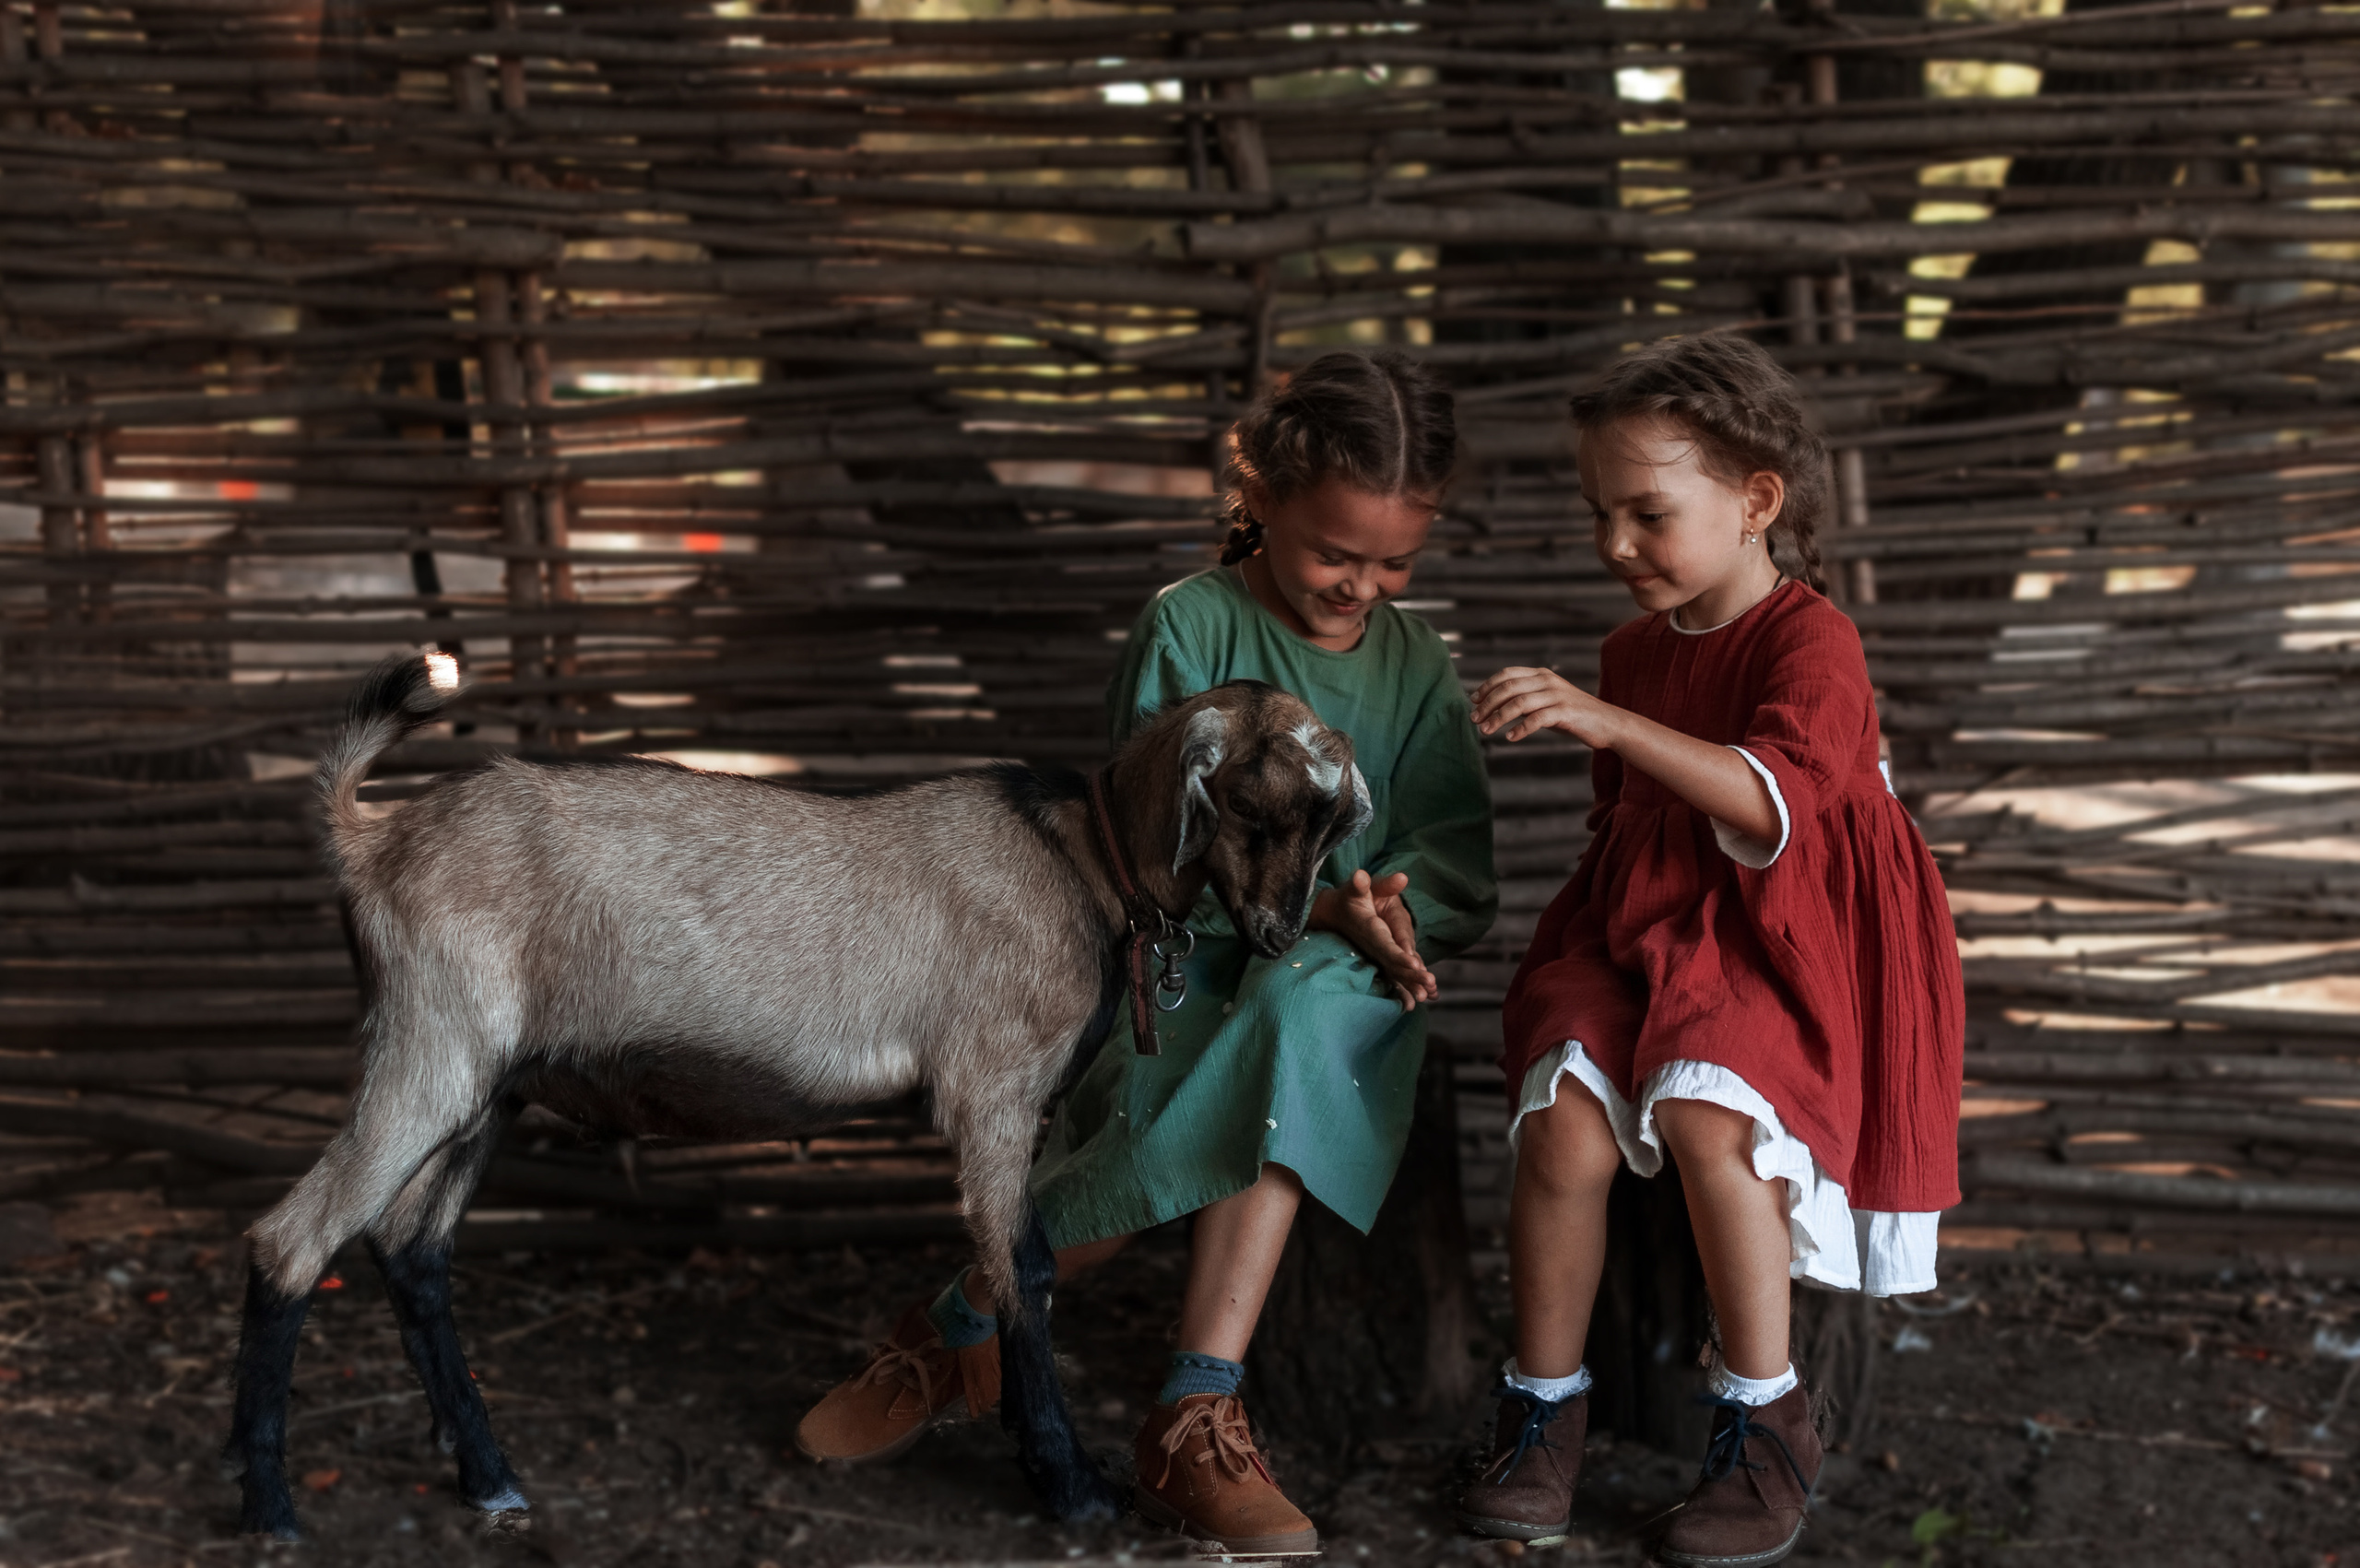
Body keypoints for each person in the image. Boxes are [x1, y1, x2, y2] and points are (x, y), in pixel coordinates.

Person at [795, 349, 1497, 1558]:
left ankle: (1180, 1397)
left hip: (1339, 980)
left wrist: (1385, 906)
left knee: (1303, 1016)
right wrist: (1304, 908)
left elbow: (1451, 853)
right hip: (1182, 966)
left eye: (1396, 562)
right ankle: (971, 1317)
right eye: (1336, 552)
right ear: (1262, 493)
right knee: (1200, 1080)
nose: (1362, 586)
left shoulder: (1419, 666)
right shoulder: (1189, 627)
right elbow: (1147, 844)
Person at [1453, 334, 1963, 1567]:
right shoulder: (1637, 650)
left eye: (1648, 511)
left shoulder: (1810, 642)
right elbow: (1623, 827)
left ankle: (1765, 1415)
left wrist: (1602, 715)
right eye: (1600, 512)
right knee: (1564, 1116)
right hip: (1645, 928)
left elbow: (1769, 808)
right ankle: (1544, 1406)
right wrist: (1611, 720)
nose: (1616, 542)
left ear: (1756, 502)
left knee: (1705, 1111)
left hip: (1789, 931)